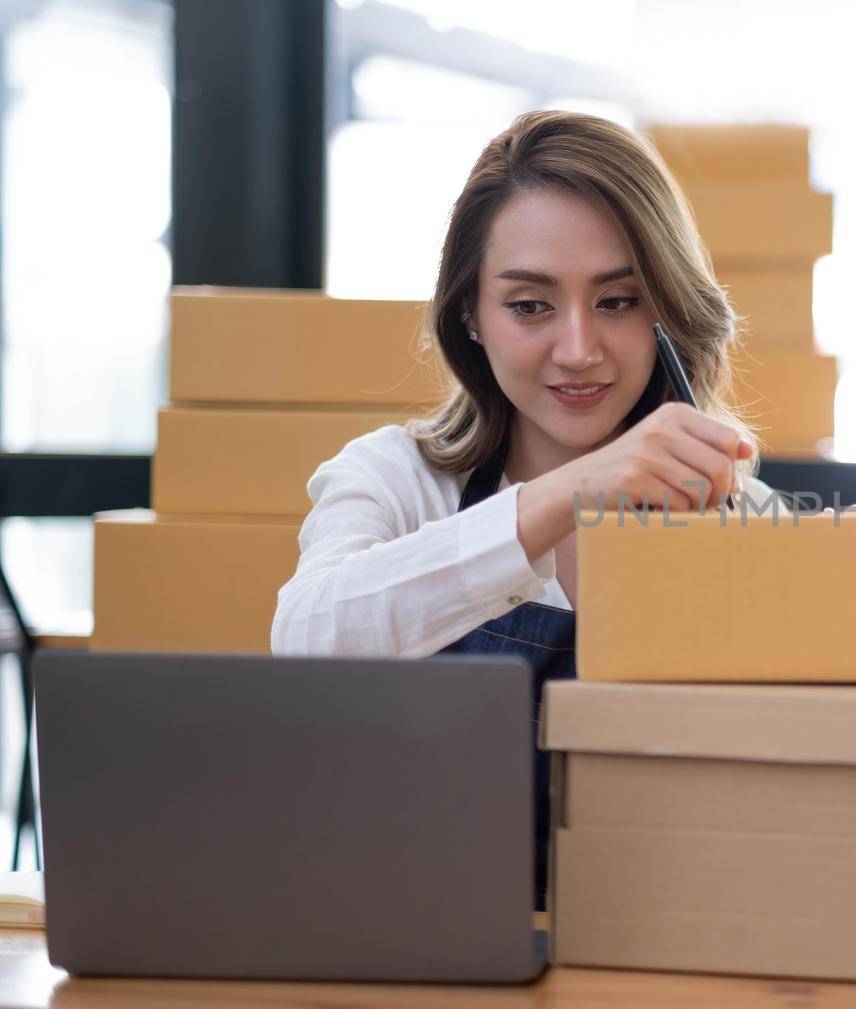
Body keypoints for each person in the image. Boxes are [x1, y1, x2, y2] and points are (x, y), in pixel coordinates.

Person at [271, 110, 787, 908]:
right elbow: (305, 638)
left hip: (663, 945)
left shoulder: (740, 515)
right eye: (531, 305)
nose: (579, 349)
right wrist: (564, 497)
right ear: (471, 314)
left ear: (667, 317)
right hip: (422, 946)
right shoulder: (399, 478)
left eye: (618, 301)